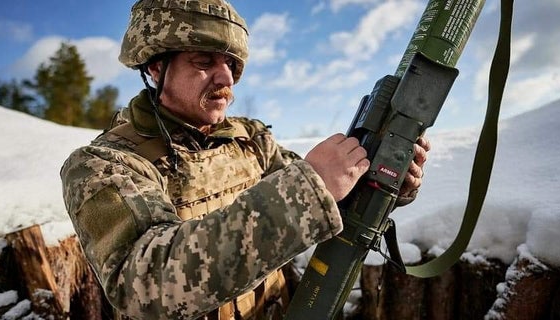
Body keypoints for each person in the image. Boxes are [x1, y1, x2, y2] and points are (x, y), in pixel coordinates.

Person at [60, 0, 431, 319]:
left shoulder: (251, 139)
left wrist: (385, 177)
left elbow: (333, 198)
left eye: (232, 64)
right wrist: (309, 188)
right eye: (203, 60)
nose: (225, 77)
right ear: (156, 68)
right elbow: (144, 284)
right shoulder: (104, 164)